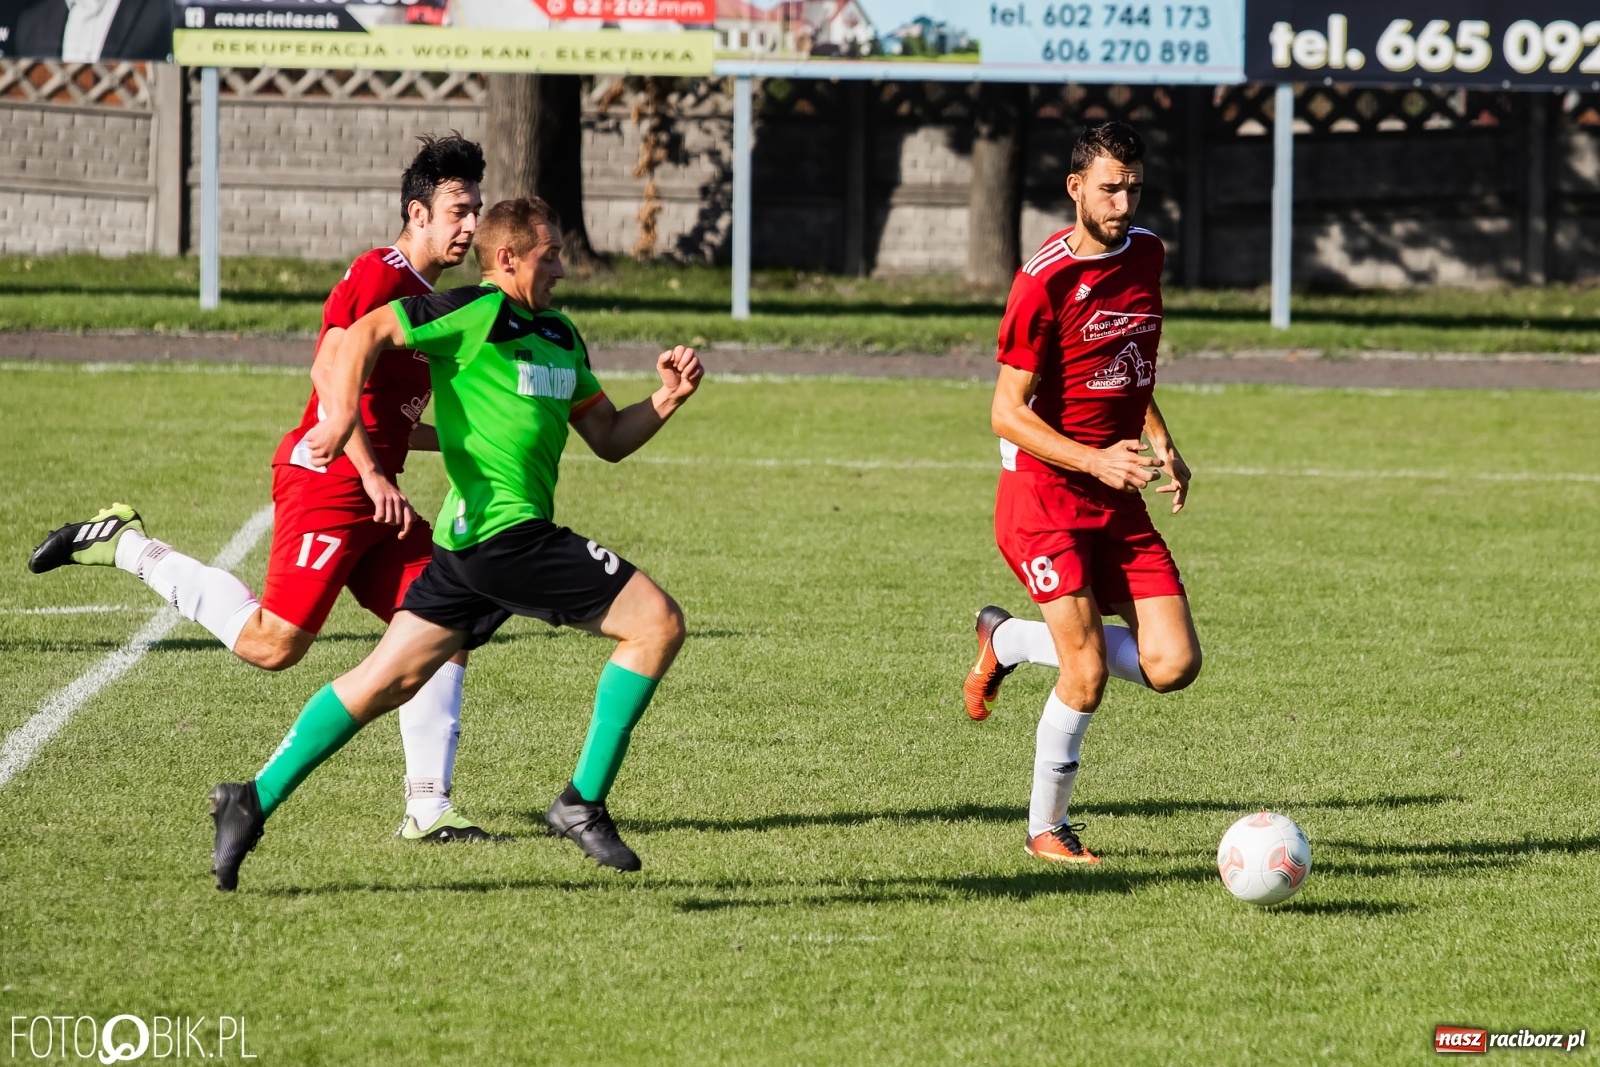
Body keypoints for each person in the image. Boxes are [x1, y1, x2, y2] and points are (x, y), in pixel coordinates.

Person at [206, 196, 703, 891]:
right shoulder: (472, 311)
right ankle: (581, 801)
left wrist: (669, 398)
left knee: (388, 678)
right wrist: (344, 410)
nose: (562, 266)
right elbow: (360, 336)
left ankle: (251, 798)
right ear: (508, 258)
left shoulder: (561, 334)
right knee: (657, 623)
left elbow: (610, 438)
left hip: (468, 550)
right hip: (507, 536)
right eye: (550, 253)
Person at [28, 135, 491, 843]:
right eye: (458, 209)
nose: (470, 225)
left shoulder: (439, 301)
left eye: (477, 211)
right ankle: (126, 546)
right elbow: (329, 368)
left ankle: (428, 807)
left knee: (441, 621)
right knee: (274, 645)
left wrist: (460, 446)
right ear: (416, 212)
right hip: (329, 480)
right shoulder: (382, 270)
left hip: (375, 488)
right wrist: (369, 473)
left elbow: (390, 417)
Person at [964, 121, 1202, 866]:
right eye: (1109, 186)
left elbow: (1130, 353)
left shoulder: (1149, 254)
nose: (1123, 200)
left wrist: (1160, 433)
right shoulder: (1045, 279)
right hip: (1044, 495)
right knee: (1087, 673)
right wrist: (1095, 460)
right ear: (1075, 188)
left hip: (1117, 485)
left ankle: (1004, 640)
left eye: (1133, 185)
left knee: (1174, 664)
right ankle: (1046, 828)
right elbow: (1004, 410)